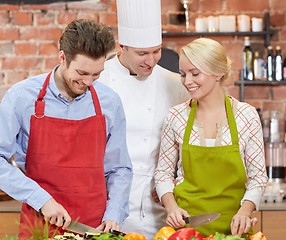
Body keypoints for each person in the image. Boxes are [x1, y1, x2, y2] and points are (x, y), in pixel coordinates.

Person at [0, 19, 132, 239]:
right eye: (82, 73)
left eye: (96, 74)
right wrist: (41, 200)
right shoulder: (21, 97)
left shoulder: (110, 102)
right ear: (62, 57)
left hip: (95, 228)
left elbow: (119, 168)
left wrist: (114, 214)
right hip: (40, 223)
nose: (89, 82)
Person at [155, 38, 268, 237]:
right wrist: (171, 207)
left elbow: (257, 177)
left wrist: (245, 210)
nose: (187, 81)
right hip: (186, 231)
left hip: (234, 230)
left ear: (218, 73)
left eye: (195, 73)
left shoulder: (246, 116)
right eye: (183, 74)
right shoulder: (176, 116)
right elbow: (163, 173)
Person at [98, 0, 190, 239]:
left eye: (156, 51)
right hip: (107, 203)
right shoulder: (99, 80)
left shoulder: (174, 84)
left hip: (158, 206)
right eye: (142, 53)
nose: (151, 61)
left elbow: (185, 145)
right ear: (122, 47)